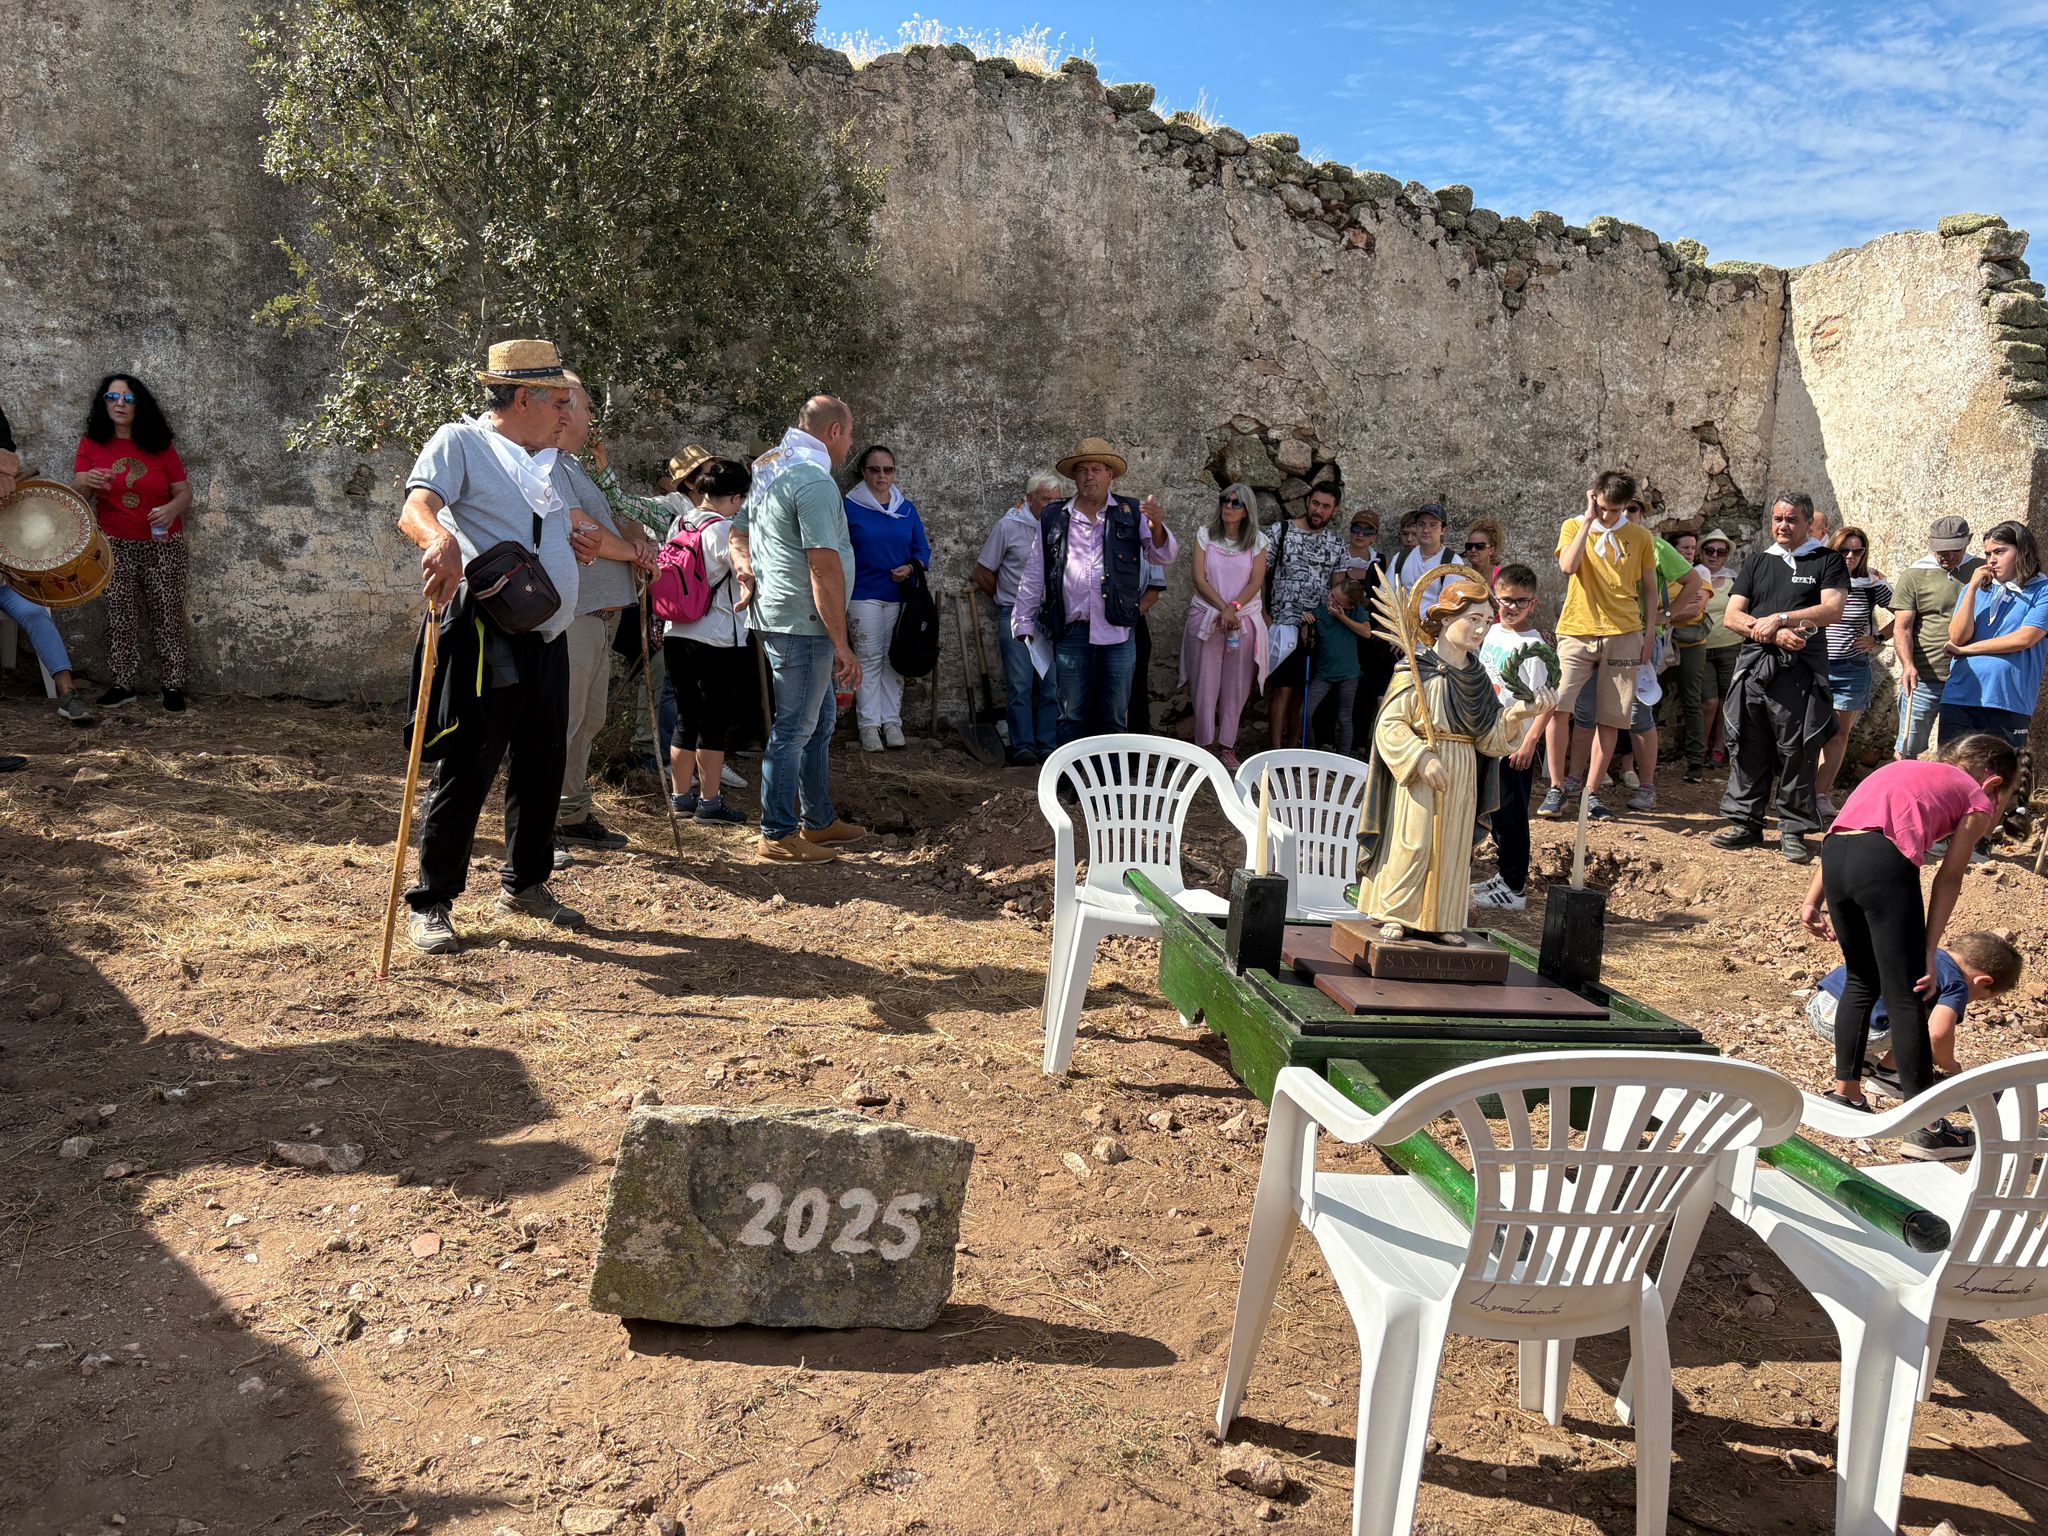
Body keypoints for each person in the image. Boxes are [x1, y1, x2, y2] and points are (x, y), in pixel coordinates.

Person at [395, 339, 585, 953]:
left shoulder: (551, 462)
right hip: (485, 636)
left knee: (542, 764)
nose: (566, 412)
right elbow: (417, 507)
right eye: (558, 400)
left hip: (548, 636)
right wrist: (436, 540)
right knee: (469, 764)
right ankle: (431, 901)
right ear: (523, 396)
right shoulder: (461, 442)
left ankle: (526, 883)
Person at [1798, 734, 2016, 1158]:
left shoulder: (1900, 769)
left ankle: (1846, 1092)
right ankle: (1926, 1125)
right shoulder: (1977, 796)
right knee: (1908, 993)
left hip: (1837, 857)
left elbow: (1840, 829)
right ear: (1993, 782)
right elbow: (1950, 875)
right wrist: (1929, 949)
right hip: (1882, 862)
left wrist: (1811, 901)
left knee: (1863, 978)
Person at [1356, 576, 1556, 939]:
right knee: (1414, 842)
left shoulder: (1477, 676)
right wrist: (1420, 757)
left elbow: (1489, 740)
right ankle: (1396, 913)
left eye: (1485, 621)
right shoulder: (1416, 668)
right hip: (1420, 770)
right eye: (1473, 619)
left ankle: (1443, 918)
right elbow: (1389, 724)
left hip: (1462, 769)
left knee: (1452, 845)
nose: (1480, 629)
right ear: (1447, 619)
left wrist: (1515, 715)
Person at [729, 395, 866, 862]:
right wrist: (842, 643)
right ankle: (778, 833)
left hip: (782, 618)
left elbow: (738, 533)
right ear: (833, 433)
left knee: (820, 720)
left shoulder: (771, 470)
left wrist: (747, 572)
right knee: (795, 728)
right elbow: (824, 568)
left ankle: (819, 821)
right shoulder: (812, 480)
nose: (851, 442)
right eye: (850, 432)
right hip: (803, 624)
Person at [1010, 436, 1178, 743]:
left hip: (1118, 630)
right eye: (1083, 469)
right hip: (1071, 631)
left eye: (1097, 469)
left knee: (1114, 716)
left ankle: (1110, 787)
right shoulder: (1053, 516)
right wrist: (1022, 619)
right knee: (1070, 716)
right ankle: (1070, 788)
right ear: (1074, 477)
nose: (1090, 475)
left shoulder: (1130, 512)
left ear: (1109, 475)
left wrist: (1158, 529)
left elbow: (1161, 556)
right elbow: (1036, 569)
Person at [1712, 493, 1848, 862]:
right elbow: (1732, 616)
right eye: (1777, 519)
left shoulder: (1827, 561)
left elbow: (1833, 608)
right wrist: (1771, 632)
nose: (1782, 526)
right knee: (1749, 747)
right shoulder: (1758, 562)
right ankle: (1746, 823)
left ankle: (1793, 829)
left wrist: (1784, 618)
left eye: (1790, 520)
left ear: (1807, 523)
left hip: (1799, 674)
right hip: (1756, 668)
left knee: (1798, 751)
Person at [553, 377, 656, 851]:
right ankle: (539, 824)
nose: (593, 419)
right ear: (564, 410)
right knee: (562, 723)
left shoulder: (581, 470)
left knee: (587, 721)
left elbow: (622, 519)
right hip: (571, 616)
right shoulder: (549, 468)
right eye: (587, 408)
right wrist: (634, 552)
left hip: (598, 618)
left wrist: (640, 542)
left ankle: (571, 815)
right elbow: (586, 532)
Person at [1536, 472, 1657, 821]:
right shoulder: (1574, 526)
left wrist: (1648, 634)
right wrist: (1589, 520)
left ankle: (1591, 792)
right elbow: (1567, 566)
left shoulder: (1640, 536)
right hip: (1576, 629)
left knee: (1612, 716)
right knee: (1559, 706)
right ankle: (1557, 787)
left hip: (1624, 632)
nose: (1609, 515)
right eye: (1603, 507)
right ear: (1593, 498)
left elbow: (1649, 587)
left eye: (1616, 510)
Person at [72, 374, 191, 711]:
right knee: (120, 614)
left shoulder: (160, 445)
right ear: (103, 402)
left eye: (128, 398)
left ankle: (173, 687)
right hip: (114, 544)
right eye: (112, 397)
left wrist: (170, 509)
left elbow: (184, 492)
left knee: (167, 613)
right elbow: (78, 492)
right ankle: (123, 685)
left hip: (162, 542)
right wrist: (88, 482)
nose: (120, 404)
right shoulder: (91, 444)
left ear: (140, 405)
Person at [1807, 929, 2021, 1102]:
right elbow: (1937, 1035)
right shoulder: (1956, 982)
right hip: (1868, 1031)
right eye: (1980, 998)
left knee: (1902, 994)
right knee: (1927, 1011)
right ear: (1983, 981)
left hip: (1819, 1007)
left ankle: (1854, 1057)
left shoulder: (1922, 950)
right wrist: (1950, 1066)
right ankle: (1890, 1076)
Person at [660, 458, 754, 824]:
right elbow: (743, 566)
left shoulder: (680, 523)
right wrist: (749, 580)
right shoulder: (726, 529)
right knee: (713, 722)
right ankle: (710, 803)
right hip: (716, 637)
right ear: (734, 497)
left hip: (676, 632)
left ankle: (680, 798)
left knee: (686, 717)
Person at [841, 443, 931, 752]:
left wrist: (910, 567)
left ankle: (892, 722)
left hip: (899, 596)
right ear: (863, 473)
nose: (882, 475)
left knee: (896, 658)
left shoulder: (906, 508)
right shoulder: (849, 507)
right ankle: (868, 726)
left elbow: (922, 549)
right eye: (875, 469)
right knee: (867, 658)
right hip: (862, 593)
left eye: (888, 469)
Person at [972, 472, 1064, 765]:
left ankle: (1048, 745)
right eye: (1047, 500)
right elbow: (983, 571)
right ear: (1030, 499)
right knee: (1019, 684)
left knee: (1052, 684)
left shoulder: (1064, 525)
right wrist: (1006, 599)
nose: (1053, 505)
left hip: (1051, 617)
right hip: (1014, 614)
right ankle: (1023, 746)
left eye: (1058, 500)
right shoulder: (1008, 526)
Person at [1473, 562, 1549, 911]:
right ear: (1494, 598)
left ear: (1533, 603)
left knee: (1512, 814)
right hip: (1487, 735)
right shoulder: (1491, 632)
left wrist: (1530, 741)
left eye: (1521, 601)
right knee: (1493, 812)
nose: (1512, 607)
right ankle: (1502, 877)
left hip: (1514, 742)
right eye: (1506, 599)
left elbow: (1547, 699)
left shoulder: (1533, 646)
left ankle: (1514, 886)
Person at [1938, 520, 2048, 750]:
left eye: (2000, 552)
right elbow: (1957, 637)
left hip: (2008, 702)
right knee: (1953, 774)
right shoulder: (1979, 588)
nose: (1992, 560)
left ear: (2022, 551)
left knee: (2002, 779)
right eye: (1988, 554)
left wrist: (1965, 651)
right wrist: (1971, 589)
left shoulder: (2042, 590)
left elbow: (2024, 638)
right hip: (1960, 696)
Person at [1181, 481, 1269, 768]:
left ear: (1247, 511)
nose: (1228, 507)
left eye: (1235, 503)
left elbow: (1256, 581)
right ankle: (1203, 746)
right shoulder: (1205, 535)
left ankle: (1227, 746)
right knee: (1205, 684)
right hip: (1209, 617)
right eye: (1225, 500)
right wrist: (1223, 609)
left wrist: (1234, 609)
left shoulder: (1258, 542)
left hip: (1240, 621)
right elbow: (1198, 578)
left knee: (1236, 686)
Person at [1812, 526, 1891, 818]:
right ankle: (1798, 792)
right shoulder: (1819, 578)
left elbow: (1906, 610)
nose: (1850, 556)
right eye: (1844, 550)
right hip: (1816, 664)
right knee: (1808, 731)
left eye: (1857, 551)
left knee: (1838, 734)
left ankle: (1820, 794)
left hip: (1852, 668)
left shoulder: (1871, 584)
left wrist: (1878, 638)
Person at [1262, 482, 1347, 748]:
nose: (1318, 510)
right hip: (1283, 624)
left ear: (1335, 510)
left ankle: (1293, 748)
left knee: (1302, 693)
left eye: (1325, 506)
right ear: (1307, 501)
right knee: (1282, 691)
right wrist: (1265, 615)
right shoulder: (1281, 531)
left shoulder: (1336, 543)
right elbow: (1259, 576)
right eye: (1315, 503)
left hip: (1317, 628)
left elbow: (1338, 589)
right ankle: (1274, 751)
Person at [1888, 514, 1979, 760]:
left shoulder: (1981, 571)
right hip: (1925, 678)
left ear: (1968, 541)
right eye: (1941, 551)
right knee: (1907, 747)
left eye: (1954, 551)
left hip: (1969, 679)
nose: (1947, 557)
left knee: (1960, 752)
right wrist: (1907, 665)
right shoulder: (1914, 575)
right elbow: (1902, 627)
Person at [1679, 528, 1741, 781]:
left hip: (1730, 645)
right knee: (1708, 701)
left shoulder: (1734, 580)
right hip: (1700, 645)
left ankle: (1719, 748)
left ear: (1726, 556)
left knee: (1727, 701)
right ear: (1701, 552)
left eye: (1721, 551)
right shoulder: (1690, 576)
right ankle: (1700, 747)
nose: (1714, 555)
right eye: (1709, 550)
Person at [1342, 505, 1399, 742]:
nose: (1361, 534)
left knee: (1364, 689)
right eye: (1357, 528)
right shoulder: (1338, 554)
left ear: (1374, 536)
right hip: (1338, 632)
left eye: (1368, 531)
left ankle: (1355, 744)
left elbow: (1383, 596)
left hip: (1367, 633)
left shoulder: (1378, 561)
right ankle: (1325, 743)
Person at [1300, 571, 1371, 753]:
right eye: (1331, 594)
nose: (1331, 601)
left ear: (1348, 606)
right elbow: (1308, 640)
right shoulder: (1321, 612)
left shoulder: (1356, 612)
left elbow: (1366, 632)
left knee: (1345, 717)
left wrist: (1342, 617)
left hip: (1349, 674)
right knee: (1305, 712)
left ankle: (1344, 759)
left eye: (1337, 602)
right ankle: (1310, 751)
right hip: (1324, 673)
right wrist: (1306, 624)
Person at [1390, 501, 1457, 609]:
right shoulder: (1401, 558)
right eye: (1421, 524)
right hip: (1402, 624)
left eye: (1433, 525)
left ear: (1443, 530)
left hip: (1435, 624)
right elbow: (1387, 594)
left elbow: (1453, 604)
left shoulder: (1452, 561)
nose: (1426, 530)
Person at [1129, 550, 1168, 733]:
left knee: (1137, 690)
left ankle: (1136, 754)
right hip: (1100, 626)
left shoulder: (1150, 545)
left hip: (1134, 624)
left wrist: (1127, 618)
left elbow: (1153, 594)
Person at [1461, 516, 1506, 582]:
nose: (1473, 550)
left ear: (1491, 550)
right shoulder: (1461, 578)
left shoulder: (1502, 578)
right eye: (1469, 546)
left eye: (1480, 546)